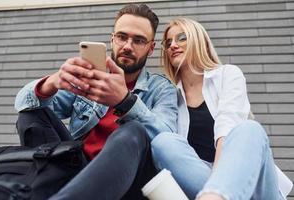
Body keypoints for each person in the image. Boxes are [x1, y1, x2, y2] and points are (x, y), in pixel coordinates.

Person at [14, 4, 178, 200]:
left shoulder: (160, 88)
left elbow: (168, 139)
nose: (127, 46)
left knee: (134, 130)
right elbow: (23, 103)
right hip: (76, 168)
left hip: (127, 179)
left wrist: (126, 101)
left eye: (139, 40)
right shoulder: (90, 78)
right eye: (122, 37)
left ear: (151, 48)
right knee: (31, 113)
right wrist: (52, 82)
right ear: (112, 39)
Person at [151, 18, 293, 200]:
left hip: (253, 189)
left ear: (198, 40)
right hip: (201, 185)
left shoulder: (228, 74)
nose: (173, 45)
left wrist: (221, 182)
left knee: (249, 129)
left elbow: (227, 125)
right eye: (168, 42)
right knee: (162, 141)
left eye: (181, 38)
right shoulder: (171, 96)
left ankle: (217, 194)